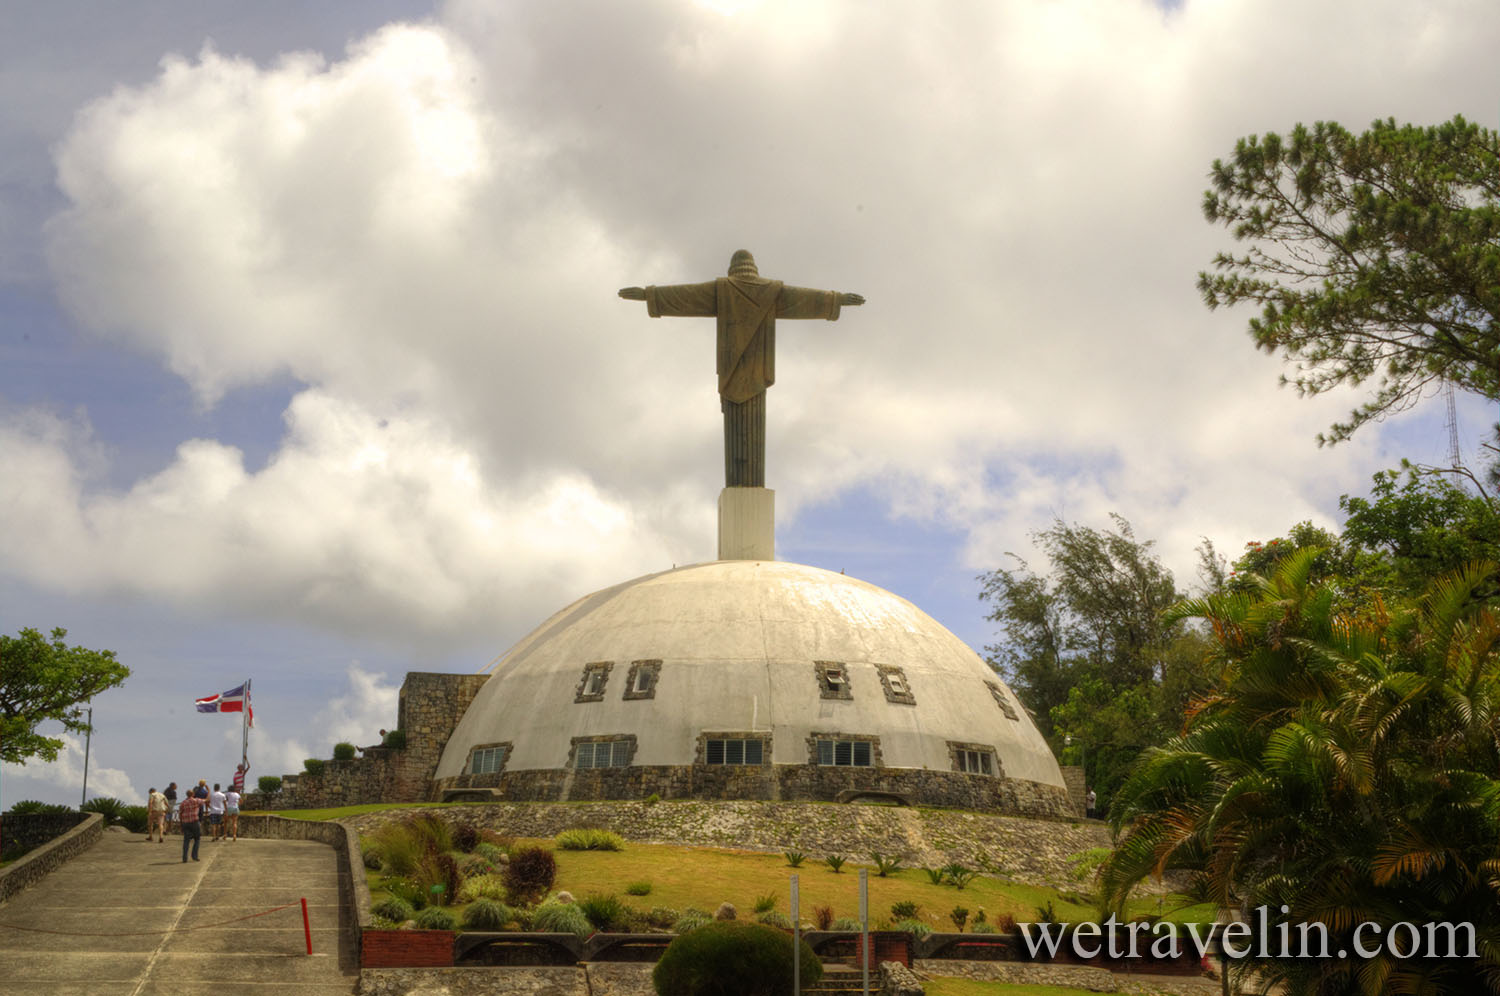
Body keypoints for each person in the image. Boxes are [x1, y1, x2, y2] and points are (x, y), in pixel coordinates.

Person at [178, 791, 204, 862]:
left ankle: (184, 857)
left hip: (185, 823)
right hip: (194, 822)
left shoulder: (183, 803)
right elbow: (206, 800)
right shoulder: (196, 800)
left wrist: (181, 824)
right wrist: (208, 790)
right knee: (197, 839)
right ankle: (194, 856)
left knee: (186, 840)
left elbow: (180, 814)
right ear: (193, 794)